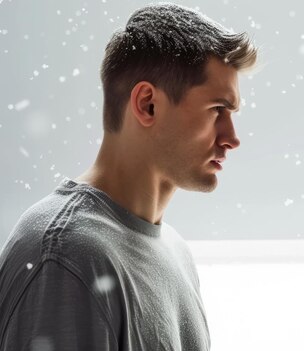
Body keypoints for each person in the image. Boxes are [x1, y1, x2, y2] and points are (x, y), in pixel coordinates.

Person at [0, 3, 256, 350]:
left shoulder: (175, 252)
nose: (232, 137)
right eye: (217, 110)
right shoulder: (65, 258)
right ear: (147, 104)